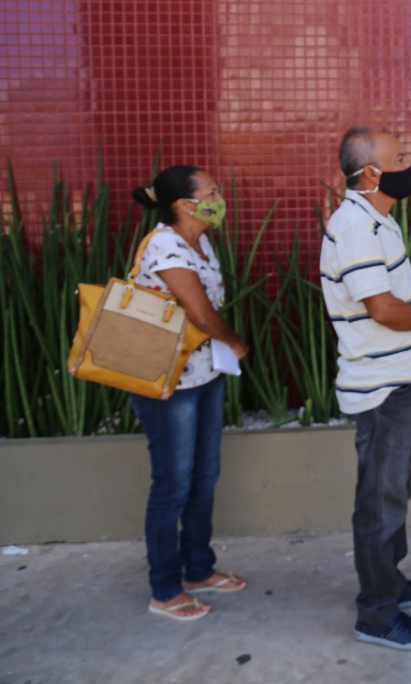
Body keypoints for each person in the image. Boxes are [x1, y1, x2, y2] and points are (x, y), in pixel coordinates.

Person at [321, 127, 411, 650]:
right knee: (379, 503)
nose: (409, 165)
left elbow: (392, 303)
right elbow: (382, 308)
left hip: (396, 379)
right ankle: (376, 615)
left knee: (392, 493)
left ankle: (390, 583)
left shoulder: (378, 220)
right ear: (371, 172)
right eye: (399, 159)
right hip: (377, 389)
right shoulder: (355, 225)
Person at [129, 166, 250, 622]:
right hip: (167, 382)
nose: (219, 199)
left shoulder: (200, 242)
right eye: (211, 193)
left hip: (203, 375)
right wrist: (234, 342)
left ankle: (198, 569)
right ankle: (164, 589)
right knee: (172, 484)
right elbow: (200, 312)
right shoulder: (165, 245)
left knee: (204, 476)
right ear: (183, 204)